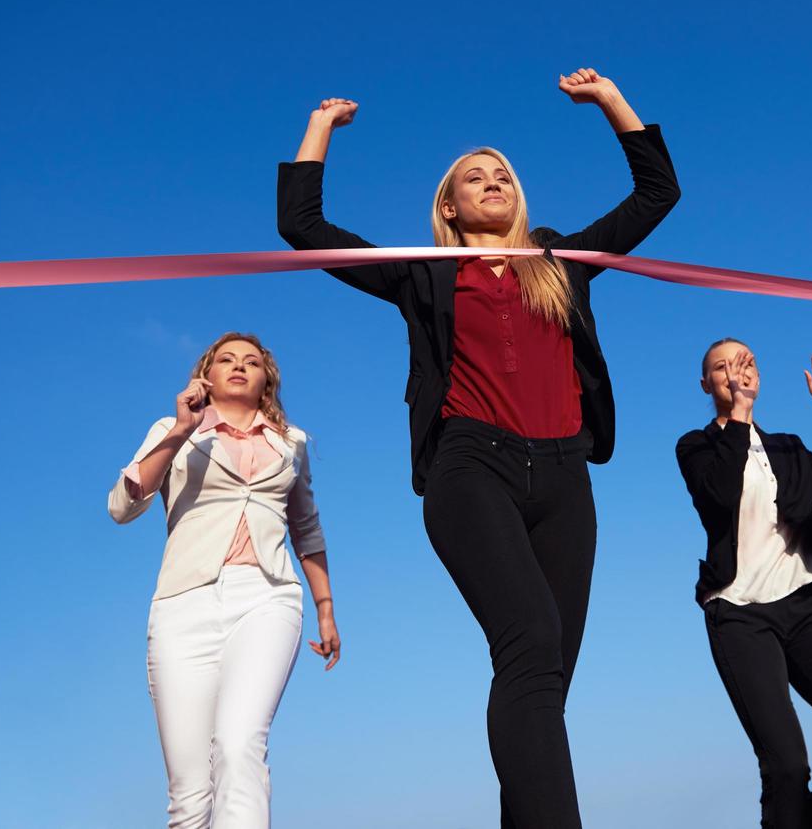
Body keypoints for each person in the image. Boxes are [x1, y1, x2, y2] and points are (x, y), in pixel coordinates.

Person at [276, 68, 679, 828]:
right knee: (529, 641)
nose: (491, 183)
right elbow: (303, 228)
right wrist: (320, 126)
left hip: (565, 477)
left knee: (543, 679)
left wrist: (611, 103)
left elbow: (657, 195)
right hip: (471, 469)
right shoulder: (422, 275)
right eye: (473, 178)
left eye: (501, 176)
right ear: (449, 206)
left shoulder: (560, 263)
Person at [108, 332, 339, 828]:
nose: (239, 367)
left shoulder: (291, 444)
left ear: (266, 382)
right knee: (190, 791)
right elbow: (122, 507)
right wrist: (179, 433)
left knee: (239, 744)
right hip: (183, 604)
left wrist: (325, 606)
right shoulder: (175, 430)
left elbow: (306, 527)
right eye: (227, 360)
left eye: (252, 362)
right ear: (205, 378)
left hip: (267, 597)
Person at [676, 340, 812, 828]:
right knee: (787, 766)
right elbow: (720, 495)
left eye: (744, 361)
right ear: (706, 384)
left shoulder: (788, 448)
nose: (734, 371)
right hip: (740, 616)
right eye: (721, 366)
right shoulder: (696, 447)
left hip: (806, 608)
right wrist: (741, 416)